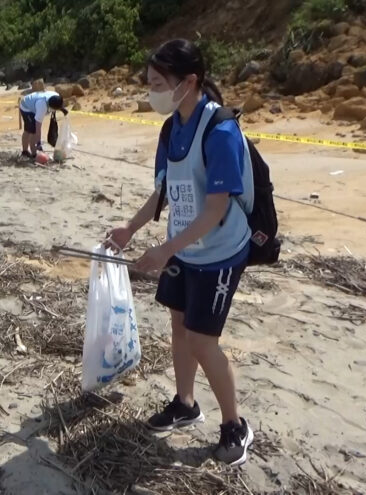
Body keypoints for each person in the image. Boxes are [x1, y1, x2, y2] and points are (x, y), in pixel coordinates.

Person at [106, 39, 255, 466]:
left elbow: (217, 208)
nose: (152, 93)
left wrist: (165, 250)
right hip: (185, 250)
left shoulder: (221, 131)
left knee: (203, 340)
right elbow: (164, 192)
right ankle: (186, 403)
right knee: (179, 328)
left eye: (158, 84)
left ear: (189, 82)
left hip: (220, 251)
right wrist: (130, 228)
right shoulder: (171, 128)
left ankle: (235, 425)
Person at [18, 90, 65, 158]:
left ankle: (32, 152)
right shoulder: (42, 107)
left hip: (34, 102)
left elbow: (59, 104)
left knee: (32, 131)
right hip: (26, 107)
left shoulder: (56, 96)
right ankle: (29, 152)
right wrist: (38, 143)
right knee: (31, 131)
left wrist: (62, 109)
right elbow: (38, 127)